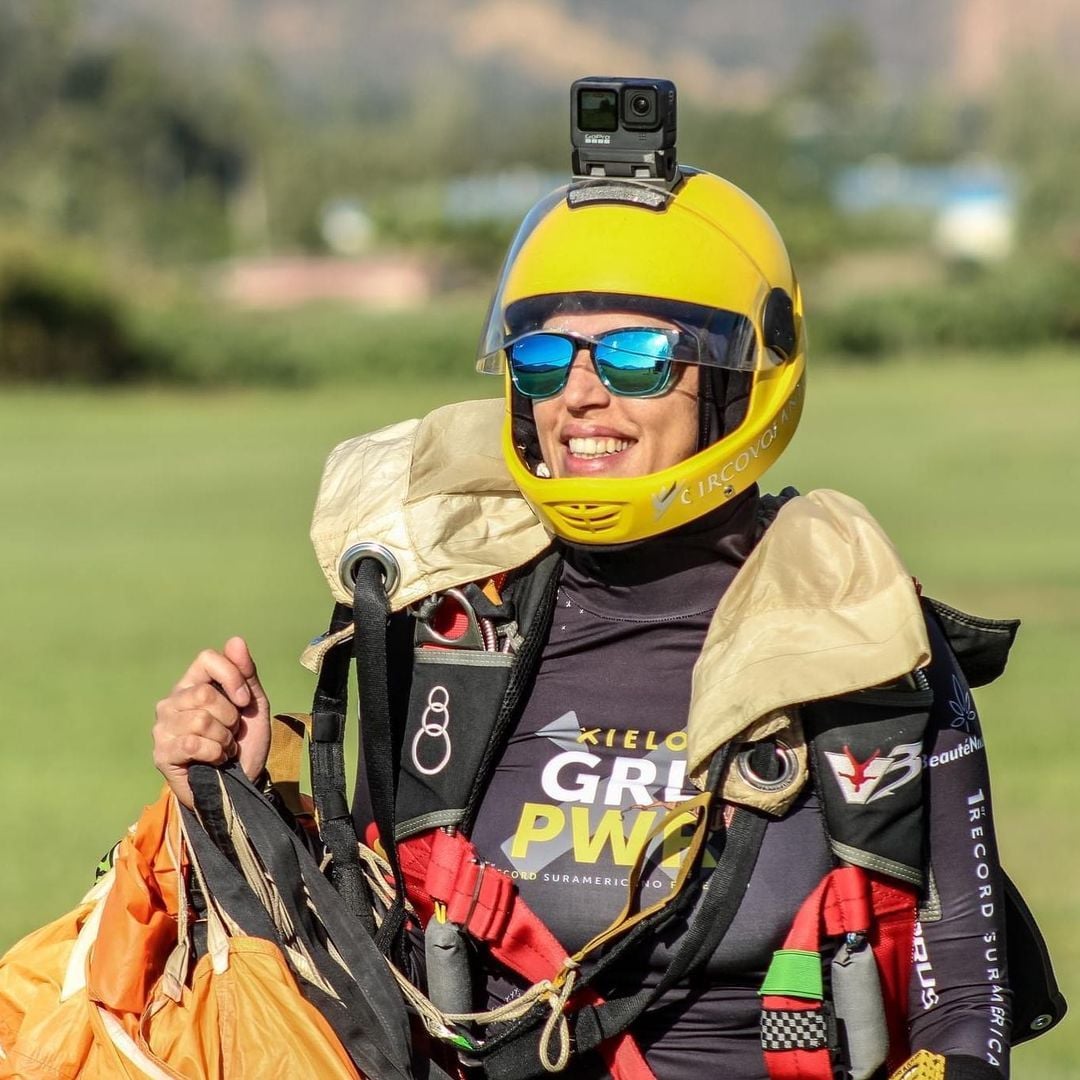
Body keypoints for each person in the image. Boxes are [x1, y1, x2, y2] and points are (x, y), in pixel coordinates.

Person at [152, 165, 1023, 1078]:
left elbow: (966, 1007)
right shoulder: (453, 635)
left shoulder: (863, 646)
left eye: (635, 358)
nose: (579, 396)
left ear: (736, 379)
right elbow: (361, 973)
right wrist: (237, 800)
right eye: (541, 358)